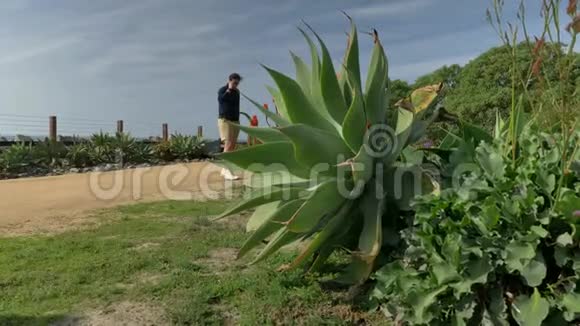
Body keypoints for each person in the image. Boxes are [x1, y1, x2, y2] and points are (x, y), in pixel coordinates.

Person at [217, 73, 242, 180]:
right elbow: (221, 100)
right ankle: (228, 171)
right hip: (225, 120)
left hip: (235, 120)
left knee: (232, 146)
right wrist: (228, 90)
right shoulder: (222, 90)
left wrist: (233, 90)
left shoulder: (237, 92)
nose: (236, 85)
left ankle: (224, 169)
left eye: (237, 83)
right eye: (234, 83)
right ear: (229, 80)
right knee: (228, 144)